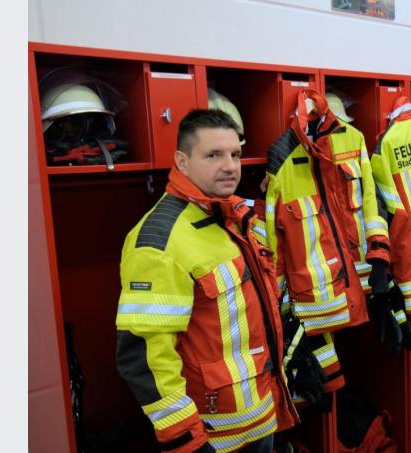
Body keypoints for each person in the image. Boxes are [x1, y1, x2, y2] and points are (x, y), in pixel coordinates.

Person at [115, 109, 297, 453]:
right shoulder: (160, 241)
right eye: (213, 155)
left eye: (235, 154)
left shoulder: (234, 218)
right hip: (213, 437)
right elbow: (144, 357)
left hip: (260, 417)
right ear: (182, 162)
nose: (230, 165)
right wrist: (187, 440)